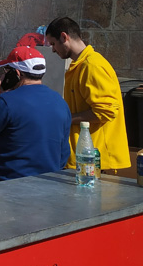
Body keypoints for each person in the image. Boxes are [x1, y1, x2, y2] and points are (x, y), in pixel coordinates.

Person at [0, 46, 71, 181]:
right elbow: (64, 153)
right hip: (49, 183)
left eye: (7, 70)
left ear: (17, 73)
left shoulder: (6, 102)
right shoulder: (60, 102)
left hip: (13, 184)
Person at [45, 17, 131, 172]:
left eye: (53, 44)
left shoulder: (92, 66)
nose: (52, 50)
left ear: (64, 37)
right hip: (85, 159)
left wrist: (67, 119)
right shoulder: (79, 66)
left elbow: (106, 111)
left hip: (96, 162)